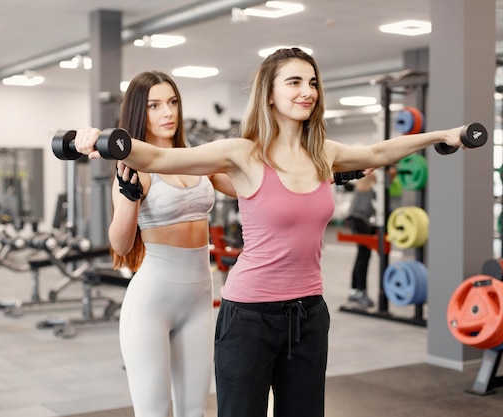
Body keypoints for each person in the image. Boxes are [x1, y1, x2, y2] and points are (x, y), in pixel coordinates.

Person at [74, 48, 470, 417]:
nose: (307, 91)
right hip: (244, 314)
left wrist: (439, 136)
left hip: (306, 313)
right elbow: (159, 157)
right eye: (294, 82)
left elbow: (378, 153)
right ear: (269, 94)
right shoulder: (240, 153)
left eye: (312, 82)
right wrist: (106, 144)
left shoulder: (322, 155)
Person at [108, 71, 234, 417]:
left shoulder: (197, 159)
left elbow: (250, 188)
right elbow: (120, 244)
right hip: (151, 303)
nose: (168, 112)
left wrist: (318, 172)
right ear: (139, 112)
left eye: (173, 102)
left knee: (194, 410)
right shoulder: (135, 166)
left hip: (198, 300)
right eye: (155, 105)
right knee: (155, 412)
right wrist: (128, 195)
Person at [345, 171, 378, 308]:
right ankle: (361, 291)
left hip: (357, 220)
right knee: (364, 254)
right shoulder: (372, 183)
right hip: (359, 220)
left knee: (361, 254)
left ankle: (354, 290)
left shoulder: (364, 183)